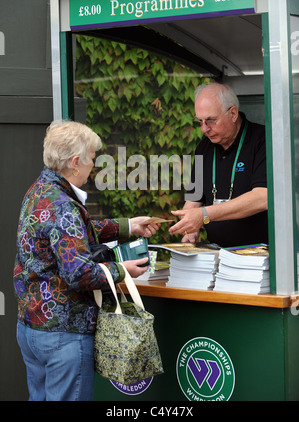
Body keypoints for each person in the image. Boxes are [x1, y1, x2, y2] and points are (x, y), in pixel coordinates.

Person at [14, 120, 159, 401]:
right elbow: (79, 273)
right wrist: (121, 270)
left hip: (32, 328)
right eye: (93, 158)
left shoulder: (40, 190)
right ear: (76, 162)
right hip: (63, 334)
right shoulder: (64, 205)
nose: (95, 165)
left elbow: (74, 234)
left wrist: (128, 226)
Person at [169, 83, 268, 247]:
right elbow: (194, 200)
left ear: (233, 114)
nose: (204, 129)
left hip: (259, 257)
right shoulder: (204, 147)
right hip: (217, 255)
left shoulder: (262, 140)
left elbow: (262, 197)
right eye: (199, 121)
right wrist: (189, 227)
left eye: (210, 121)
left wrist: (204, 215)